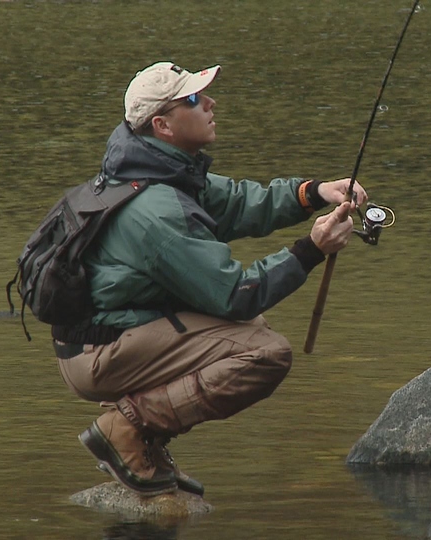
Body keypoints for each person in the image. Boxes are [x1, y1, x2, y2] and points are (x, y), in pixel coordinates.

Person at [53, 61, 366, 497]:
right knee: (265, 353)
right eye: (195, 99)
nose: (211, 103)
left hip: (104, 337)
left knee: (247, 333)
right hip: (100, 354)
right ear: (162, 124)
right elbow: (237, 295)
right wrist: (311, 250)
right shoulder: (156, 208)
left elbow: (237, 203)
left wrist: (312, 192)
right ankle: (125, 427)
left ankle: (141, 441)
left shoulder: (158, 170)